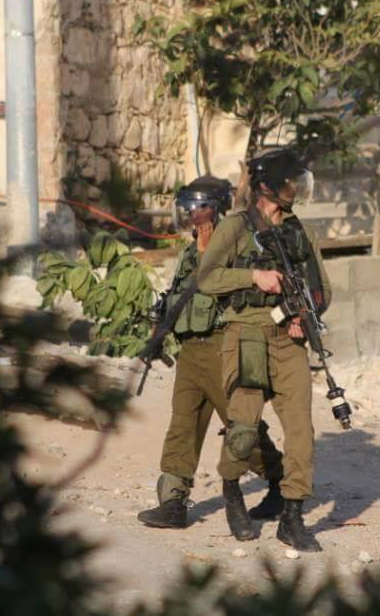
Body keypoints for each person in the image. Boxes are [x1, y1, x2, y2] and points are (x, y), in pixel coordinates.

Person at [196, 146, 331, 552]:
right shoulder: (236, 227)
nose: (296, 189)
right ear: (269, 186)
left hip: (290, 340)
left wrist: (303, 315)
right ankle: (232, 492)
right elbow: (207, 278)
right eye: (290, 182)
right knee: (243, 427)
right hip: (247, 333)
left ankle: (292, 516)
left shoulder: (300, 231)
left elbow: (322, 289)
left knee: (301, 431)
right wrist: (254, 276)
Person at [137, 176, 285, 530]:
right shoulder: (190, 251)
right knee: (182, 426)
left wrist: (210, 254)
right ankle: (173, 502)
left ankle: (280, 482)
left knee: (241, 427)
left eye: (200, 207)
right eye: (188, 208)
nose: (193, 215)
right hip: (190, 351)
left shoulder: (237, 243)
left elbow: (234, 287)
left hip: (224, 347)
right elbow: (181, 296)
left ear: (216, 209)